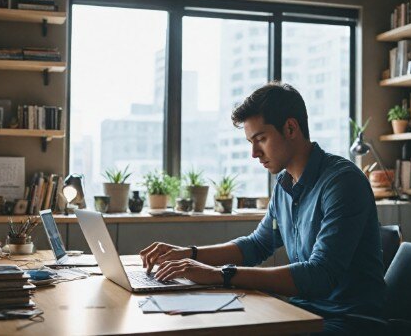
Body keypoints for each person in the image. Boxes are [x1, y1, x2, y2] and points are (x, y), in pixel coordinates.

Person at [140, 82, 385, 334]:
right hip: (302, 311)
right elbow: (257, 245)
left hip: (350, 322)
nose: (254, 153)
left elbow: (320, 275)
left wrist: (221, 274)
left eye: (261, 139)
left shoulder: (342, 182)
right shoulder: (284, 184)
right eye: (250, 142)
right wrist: (188, 255)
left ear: (291, 128)